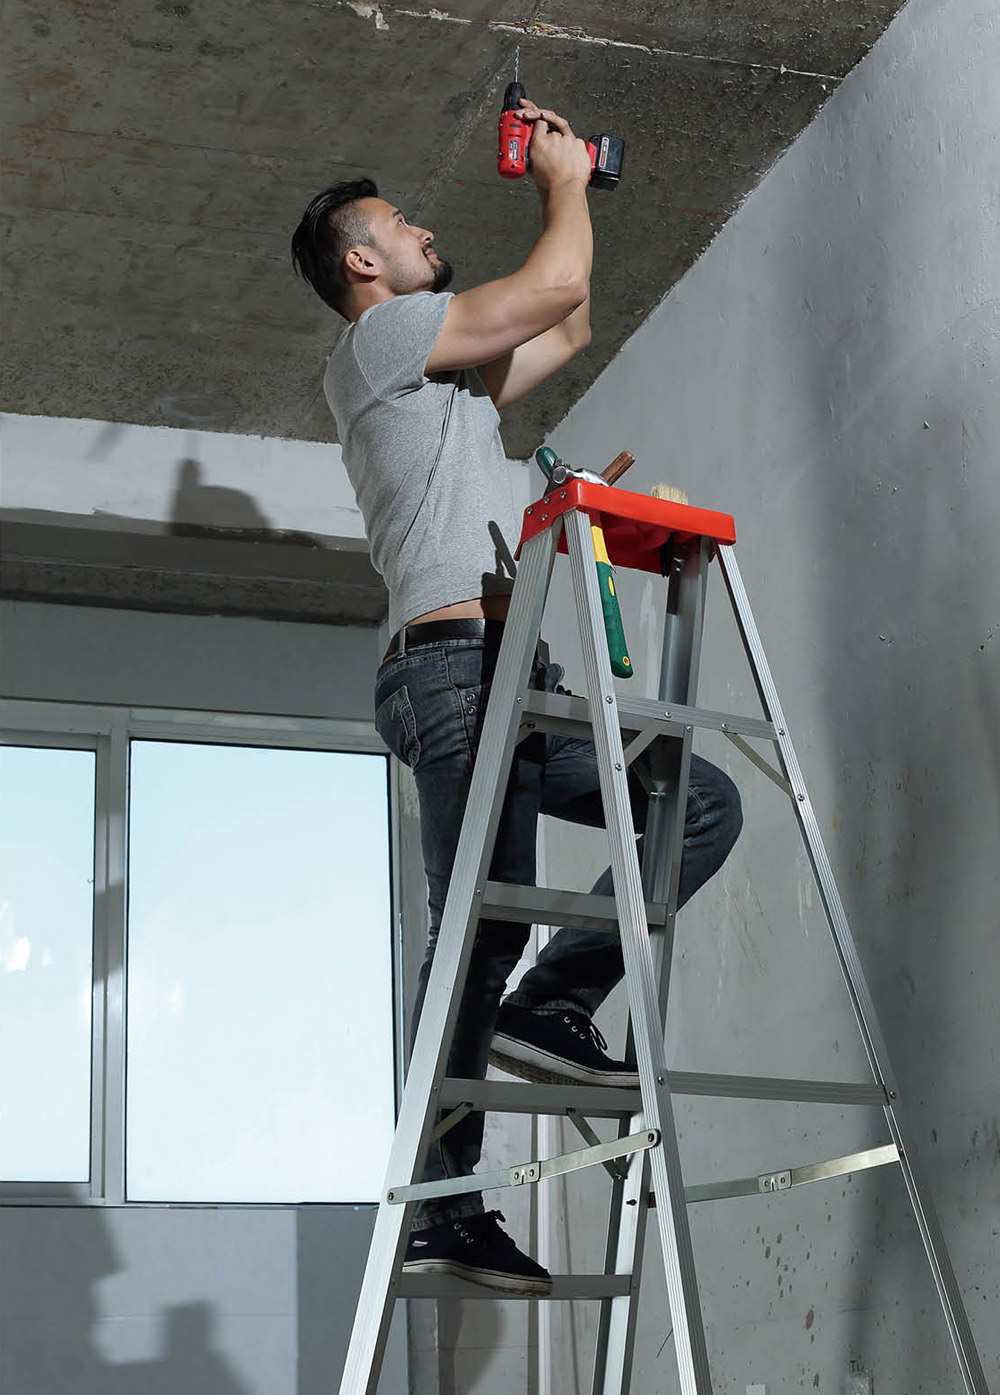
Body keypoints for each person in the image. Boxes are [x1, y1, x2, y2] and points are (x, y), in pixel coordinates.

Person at [290, 100, 742, 1297]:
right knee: (472, 932)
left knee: (695, 808)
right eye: (403, 221)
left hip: (507, 677)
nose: (425, 227)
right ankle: (444, 1208)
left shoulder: (442, 391)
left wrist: (572, 190)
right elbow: (542, 288)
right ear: (361, 263)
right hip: (447, 672)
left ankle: (553, 1003)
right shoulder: (379, 347)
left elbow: (570, 317)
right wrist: (556, 183)